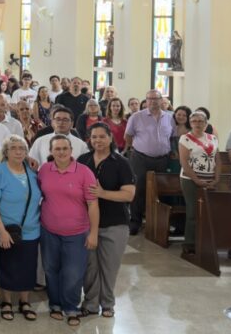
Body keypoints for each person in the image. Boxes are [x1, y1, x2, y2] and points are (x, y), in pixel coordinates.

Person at [37, 135, 99, 326]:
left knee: (73, 272)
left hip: (77, 232)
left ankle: (71, 307)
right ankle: (55, 304)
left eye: (65, 148)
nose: (61, 152)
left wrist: (93, 233)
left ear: (71, 150)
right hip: (49, 230)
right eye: (57, 149)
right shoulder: (44, 170)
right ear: (51, 151)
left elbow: (93, 204)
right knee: (51, 269)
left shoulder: (84, 172)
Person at [77, 123, 135, 319]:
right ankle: (90, 304)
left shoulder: (121, 162)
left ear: (110, 138)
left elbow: (129, 195)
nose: (98, 140)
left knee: (109, 268)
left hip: (114, 223)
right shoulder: (83, 160)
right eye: (94, 137)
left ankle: (108, 304)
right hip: (86, 224)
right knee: (89, 267)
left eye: (102, 136)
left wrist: (102, 193)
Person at [0, 135, 42, 322]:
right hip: (8, 229)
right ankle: (6, 301)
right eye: (13, 148)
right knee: (7, 265)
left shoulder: (31, 170)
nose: (18, 151)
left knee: (28, 266)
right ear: (6, 152)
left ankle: (24, 301)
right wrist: (2, 231)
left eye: (22, 148)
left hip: (32, 228)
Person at [124, 90, 175, 235]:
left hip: (162, 159)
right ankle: (135, 221)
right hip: (141, 158)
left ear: (161, 100)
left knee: (161, 190)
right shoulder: (136, 117)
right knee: (138, 189)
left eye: (155, 98)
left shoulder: (169, 117)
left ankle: (159, 222)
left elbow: (172, 136)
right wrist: (137, 147)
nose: (153, 101)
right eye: (149, 99)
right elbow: (128, 136)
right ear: (146, 101)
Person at [178, 111, 220, 255]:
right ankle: (189, 243)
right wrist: (196, 180)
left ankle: (206, 241)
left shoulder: (213, 138)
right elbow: (184, 162)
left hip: (210, 179)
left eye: (201, 121)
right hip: (190, 180)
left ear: (206, 123)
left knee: (209, 212)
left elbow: (218, 159)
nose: (197, 123)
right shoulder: (185, 138)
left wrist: (216, 179)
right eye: (194, 121)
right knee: (193, 211)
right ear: (190, 123)